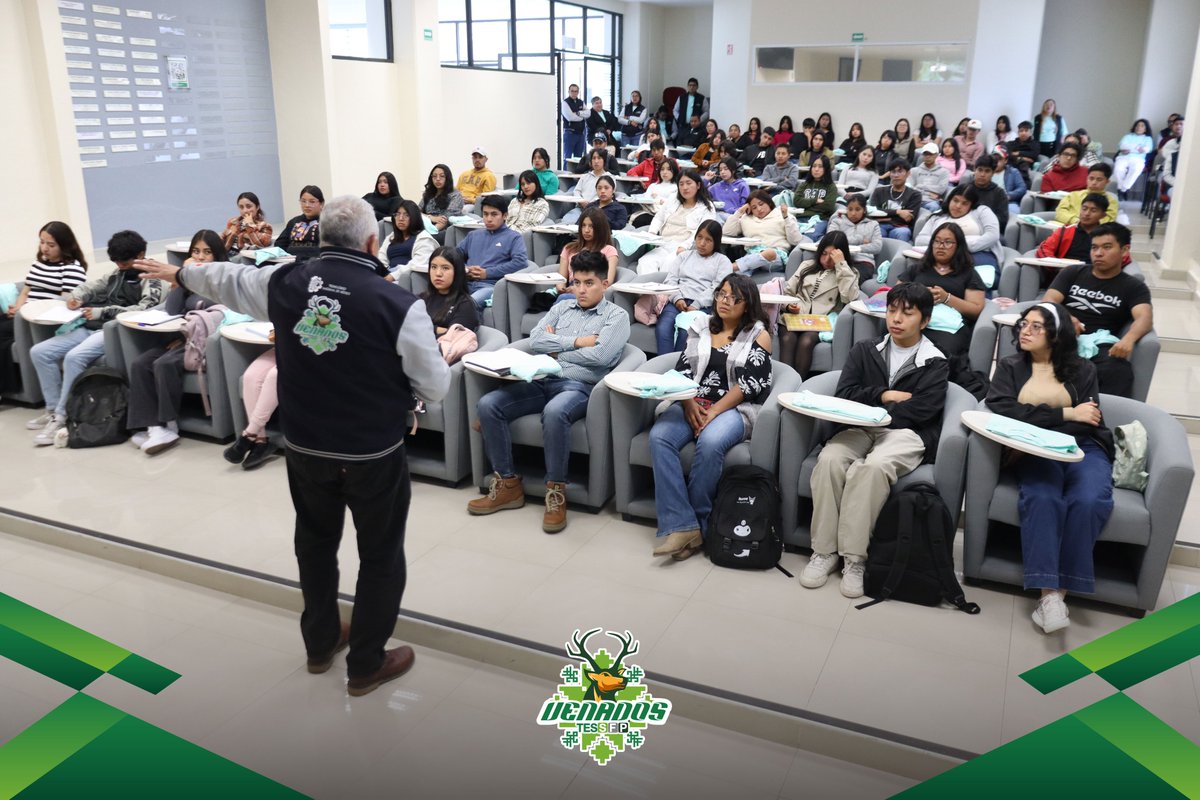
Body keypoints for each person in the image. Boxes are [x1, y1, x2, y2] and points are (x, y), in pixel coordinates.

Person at [137, 195, 449, 697]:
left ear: (320, 237)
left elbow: (225, 279)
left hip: (305, 445)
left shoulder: (284, 281)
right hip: (370, 452)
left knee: (315, 543)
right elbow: (435, 387)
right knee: (381, 555)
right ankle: (367, 661)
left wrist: (177, 275)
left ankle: (321, 642)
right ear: (373, 242)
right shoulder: (398, 305)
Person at [801, 282, 948, 598]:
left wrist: (879, 409)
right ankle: (824, 551)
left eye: (907, 314)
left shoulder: (935, 361)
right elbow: (846, 394)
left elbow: (925, 410)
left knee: (872, 468)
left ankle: (855, 559)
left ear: (924, 321)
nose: (896, 319)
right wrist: (885, 394)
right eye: (892, 310)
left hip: (907, 434)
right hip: (860, 426)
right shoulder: (865, 350)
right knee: (829, 459)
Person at [469, 250, 629, 532]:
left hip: (579, 385)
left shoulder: (616, 316)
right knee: (489, 404)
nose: (581, 289)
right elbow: (537, 340)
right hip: (541, 378)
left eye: (589, 283)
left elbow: (601, 357)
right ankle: (508, 483)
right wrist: (579, 342)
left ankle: (556, 491)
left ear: (605, 284)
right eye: (576, 282)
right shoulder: (561, 307)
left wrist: (558, 349)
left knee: (555, 412)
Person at [985, 302, 1114, 633]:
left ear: (1056, 335)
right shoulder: (1011, 366)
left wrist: (1044, 421)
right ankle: (1047, 594)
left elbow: (1090, 421)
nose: (1025, 331)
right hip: (1034, 448)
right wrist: (1065, 415)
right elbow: (1000, 408)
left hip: (1083, 446)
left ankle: (1060, 592)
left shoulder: (1083, 370)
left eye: (1036, 326)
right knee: (1043, 496)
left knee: (1088, 499)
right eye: (1023, 324)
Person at [649, 273, 773, 560]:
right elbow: (682, 370)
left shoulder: (758, 334)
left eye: (734, 298)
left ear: (748, 304)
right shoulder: (701, 325)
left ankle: (701, 526)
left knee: (711, 441)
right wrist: (689, 402)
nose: (724, 301)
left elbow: (751, 384)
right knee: (659, 437)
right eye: (721, 294)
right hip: (692, 399)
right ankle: (684, 526)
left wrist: (715, 411)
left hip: (733, 407)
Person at [29, 230, 165, 445]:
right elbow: (93, 286)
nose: (120, 265)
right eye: (116, 261)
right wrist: (77, 296)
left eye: (125, 261)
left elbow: (144, 309)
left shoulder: (153, 277)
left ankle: (63, 417)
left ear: (141, 254)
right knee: (40, 352)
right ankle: (53, 409)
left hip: (113, 330)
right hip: (90, 324)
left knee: (74, 357)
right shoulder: (117, 273)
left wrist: (104, 312)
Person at [127, 230, 227, 456]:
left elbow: (212, 309)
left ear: (217, 255)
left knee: (164, 363)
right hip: (182, 336)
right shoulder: (188, 279)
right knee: (141, 363)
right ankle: (152, 425)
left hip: (205, 339)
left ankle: (169, 424)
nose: (200, 257)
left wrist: (194, 277)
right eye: (196, 252)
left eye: (207, 252)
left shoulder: (223, 277)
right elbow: (172, 309)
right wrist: (181, 279)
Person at [1042, 223, 1153, 398]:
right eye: (1094, 247)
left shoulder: (1133, 287)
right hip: (1063, 337)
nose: (1098, 253)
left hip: (1100, 346)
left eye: (1107, 247)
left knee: (1118, 371)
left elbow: (1145, 318)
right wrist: (1067, 318)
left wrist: (1128, 339)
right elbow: (1049, 300)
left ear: (1124, 250)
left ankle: (1103, 420)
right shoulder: (1073, 272)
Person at [1, 222, 89, 399]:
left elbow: (65, 302)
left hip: (44, 318)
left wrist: (26, 310)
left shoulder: (72, 268)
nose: (45, 249)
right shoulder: (38, 264)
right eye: (42, 242)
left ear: (64, 245)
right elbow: (26, 291)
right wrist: (18, 308)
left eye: (51, 245)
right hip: (24, 314)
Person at [903, 222, 987, 364]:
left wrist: (946, 298)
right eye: (937, 241)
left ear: (958, 246)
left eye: (948, 242)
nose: (941, 246)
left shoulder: (968, 273)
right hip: (916, 321)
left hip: (949, 328)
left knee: (939, 355)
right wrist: (919, 294)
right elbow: (896, 295)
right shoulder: (918, 268)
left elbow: (976, 309)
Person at [778, 230, 859, 377]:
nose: (827, 260)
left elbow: (850, 298)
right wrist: (789, 306)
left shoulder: (849, 272)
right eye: (824, 254)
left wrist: (841, 264)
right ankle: (783, 381)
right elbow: (787, 291)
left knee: (806, 342)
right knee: (787, 338)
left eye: (833, 255)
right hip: (794, 317)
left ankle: (798, 384)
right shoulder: (807, 265)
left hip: (819, 322)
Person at [656, 220, 733, 353]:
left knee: (685, 332)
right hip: (677, 301)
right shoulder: (684, 256)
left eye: (708, 240)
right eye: (699, 237)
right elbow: (671, 279)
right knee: (662, 328)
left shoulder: (722, 261)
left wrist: (696, 304)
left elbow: (718, 288)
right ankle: (665, 365)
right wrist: (677, 298)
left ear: (716, 242)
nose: (702, 243)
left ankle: (678, 369)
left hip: (704, 306)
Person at [639, 170, 718, 273]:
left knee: (669, 264)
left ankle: (662, 288)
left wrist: (684, 246)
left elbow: (703, 232)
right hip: (664, 244)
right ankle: (648, 287)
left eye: (689, 183)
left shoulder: (706, 207)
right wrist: (652, 233)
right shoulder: (673, 199)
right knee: (646, 262)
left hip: (686, 247)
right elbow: (659, 217)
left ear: (698, 185)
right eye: (681, 184)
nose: (685, 187)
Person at [458, 195, 528, 310]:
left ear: (505, 216)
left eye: (494, 214)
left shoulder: (514, 237)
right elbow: (453, 256)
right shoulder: (473, 235)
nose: (489, 219)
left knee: (468, 305)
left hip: (490, 286)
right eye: (485, 214)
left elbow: (521, 262)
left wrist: (487, 273)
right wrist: (466, 269)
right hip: (465, 282)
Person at [914, 184, 1002, 271]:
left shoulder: (981, 211)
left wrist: (959, 246)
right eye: (955, 200)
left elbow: (993, 235)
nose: (958, 206)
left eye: (965, 203)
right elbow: (920, 240)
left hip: (977, 253)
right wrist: (948, 245)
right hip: (941, 256)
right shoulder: (937, 216)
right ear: (949, 199)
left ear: (971, 205)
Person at [724, 189, 803, 275]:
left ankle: (728, 268)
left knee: (769, 253)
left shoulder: (782, 215)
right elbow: (727, 231)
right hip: (752, 255)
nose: (759, 209)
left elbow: (795, 240)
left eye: (761, 204)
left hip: (775, 256)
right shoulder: (746, 218)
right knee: (740, 275)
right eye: (754, 207)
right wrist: (739, 212)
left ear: (768, 202)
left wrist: (786, 218)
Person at [422, 245, 480, 338]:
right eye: (433, 267)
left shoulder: (465, 305)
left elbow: (454, 338)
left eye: (445, 268)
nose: (438, 273)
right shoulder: (421, 298)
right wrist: (437, 329)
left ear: (457, 272)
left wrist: (427, 328)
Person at [827, 193, 883, 281]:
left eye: (857, 209)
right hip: (840, 260)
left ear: (864, 210)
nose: (853, 213)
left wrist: (858, 248)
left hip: (864, 262)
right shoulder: (837, 222)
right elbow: (831, 240)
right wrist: (860, 239)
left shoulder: (873, 224)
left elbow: (877, 247)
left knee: (850, 281)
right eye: (850, 209)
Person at [560, 206, 619, 290]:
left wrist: (577, 289)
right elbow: (561, 280)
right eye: (583, 226)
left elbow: (608, 282)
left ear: (600, 228)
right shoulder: (569, 248)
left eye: (591, 226)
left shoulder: (609, 250)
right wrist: (562, 289)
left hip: (593, 291)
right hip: (570, 289)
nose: (586, 230)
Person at [378, 200, 437, 276]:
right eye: (397, 214)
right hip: (388, 273)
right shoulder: (391, 237)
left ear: (414, 217)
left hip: (406, 277)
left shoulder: (424, 238)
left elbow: (417, 264)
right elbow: (381, 259)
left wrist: (394, 276)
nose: (401, 218)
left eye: (406, 215)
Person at [870, 159, 921, 241]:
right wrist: (898, 212)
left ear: (908, 174)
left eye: (900, 172)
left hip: (900, 227)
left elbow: (908, 218)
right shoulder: (879, 191)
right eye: (893, 172)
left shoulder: (915, 194)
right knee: (876, 230)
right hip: (880, 225)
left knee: (903, 233)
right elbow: (872, 212)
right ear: (890, 174)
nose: (896, 175)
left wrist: (884, 216)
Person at [564, 148, 614, 224]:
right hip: (580, 208)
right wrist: (581, 201)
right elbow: (576, 190)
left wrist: (590, 204)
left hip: (598, 210)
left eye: (599, 158)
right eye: (594, 158)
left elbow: (608, 195)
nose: (596, 161)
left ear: (604, 161)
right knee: (567, 221)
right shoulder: (585, 176)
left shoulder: (609, 178)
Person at [792, 155, 837, 237]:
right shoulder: (804, 184)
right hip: (801, 217)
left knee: (810, 236)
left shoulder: (831, 186)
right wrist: (815, 201)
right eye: (814, 166)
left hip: (820, 219)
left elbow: (828, 206)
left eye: (820, 167)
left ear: (826, 169)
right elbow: (797, 201)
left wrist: (806, 205)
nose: (816, 169)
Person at [275, 185, 324, 256]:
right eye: (303, 201)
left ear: (321, 203)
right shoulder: (294, 222)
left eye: (312, 202)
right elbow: (279, 244)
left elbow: (327, 248)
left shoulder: (327, 223)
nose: (307, 205)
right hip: (290, 262)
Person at [967, 153, 1010, 231]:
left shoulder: (999, 193)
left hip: (988, 230)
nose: (982, 174)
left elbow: (1002, 220)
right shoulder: (965, 189)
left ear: (993, 173)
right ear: (974, 170)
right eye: (980, 170)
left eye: (987, 171)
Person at [1113, 119, 1153, 198]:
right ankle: (1122, 189)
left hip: (1138, 159)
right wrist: (1137, 148)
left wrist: (1131, 147)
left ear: (1145, 129)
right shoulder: (1127, 136)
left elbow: (1146, 149)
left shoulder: (1147, 139)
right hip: (1123, 157)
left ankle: (1123, 189)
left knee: (1136, 169)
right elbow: (1122, 146)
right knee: (1118, 170)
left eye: (1142, 126)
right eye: (1137, 125)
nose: (1139, 127)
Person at [421, 164, 464, 231]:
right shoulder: (428, 193)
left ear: (448, 178)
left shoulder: (455, 194)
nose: (438, 179)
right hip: (426, 225)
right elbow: (416, 211)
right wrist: (430, 217)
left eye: (442, 176)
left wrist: (432, 230)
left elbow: (447, 217)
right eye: (434, 176)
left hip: (445, 229)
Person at [910, 143, 950, 211]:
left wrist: (918, 186)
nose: (927, 156)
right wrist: (928, 192)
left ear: (936, 155)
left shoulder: (944, 172)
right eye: (925, 154)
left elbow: (941, 189)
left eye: (930, 154)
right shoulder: (914, 170)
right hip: (915, 199)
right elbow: (909, 187)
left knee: (934, 207)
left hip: (931, 201)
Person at [561, 83, 591, 167]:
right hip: (570, 133)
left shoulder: (581, 102)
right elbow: (570, 117)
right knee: (567, 157)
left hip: (581, 134)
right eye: (572, 91)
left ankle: (576, 177)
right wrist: (582, 117)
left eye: (576, 91)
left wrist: (578, 113)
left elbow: (588, 113)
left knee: (579, 158)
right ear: (569, 92)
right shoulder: (565, 103)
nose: (574, 93)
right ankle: (565, 178)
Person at [1160, 116, 1184, 196]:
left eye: (1181, 124)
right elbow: (1167, 175)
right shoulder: (1170, 143)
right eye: (1176, 124)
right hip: (1172, 177)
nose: (1179, 126)